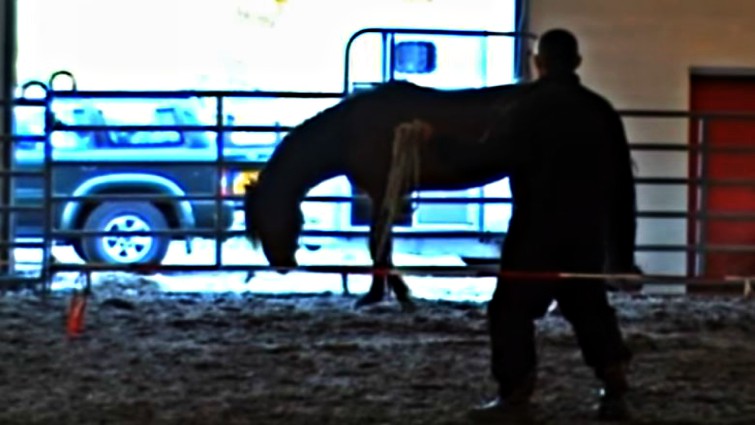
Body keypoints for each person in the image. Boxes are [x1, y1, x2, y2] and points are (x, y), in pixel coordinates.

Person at [467, 28, 637, 423]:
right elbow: (622, 188)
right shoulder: (601, 111)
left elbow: (487, 160)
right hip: (585, 234)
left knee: (510, 311)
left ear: (538, 63)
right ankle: (614, 389)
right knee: (590, 308)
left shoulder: (523, 109)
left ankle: (515, 395)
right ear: (577, 63)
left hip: (534, 232)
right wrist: (622, 255)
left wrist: (435, 146)